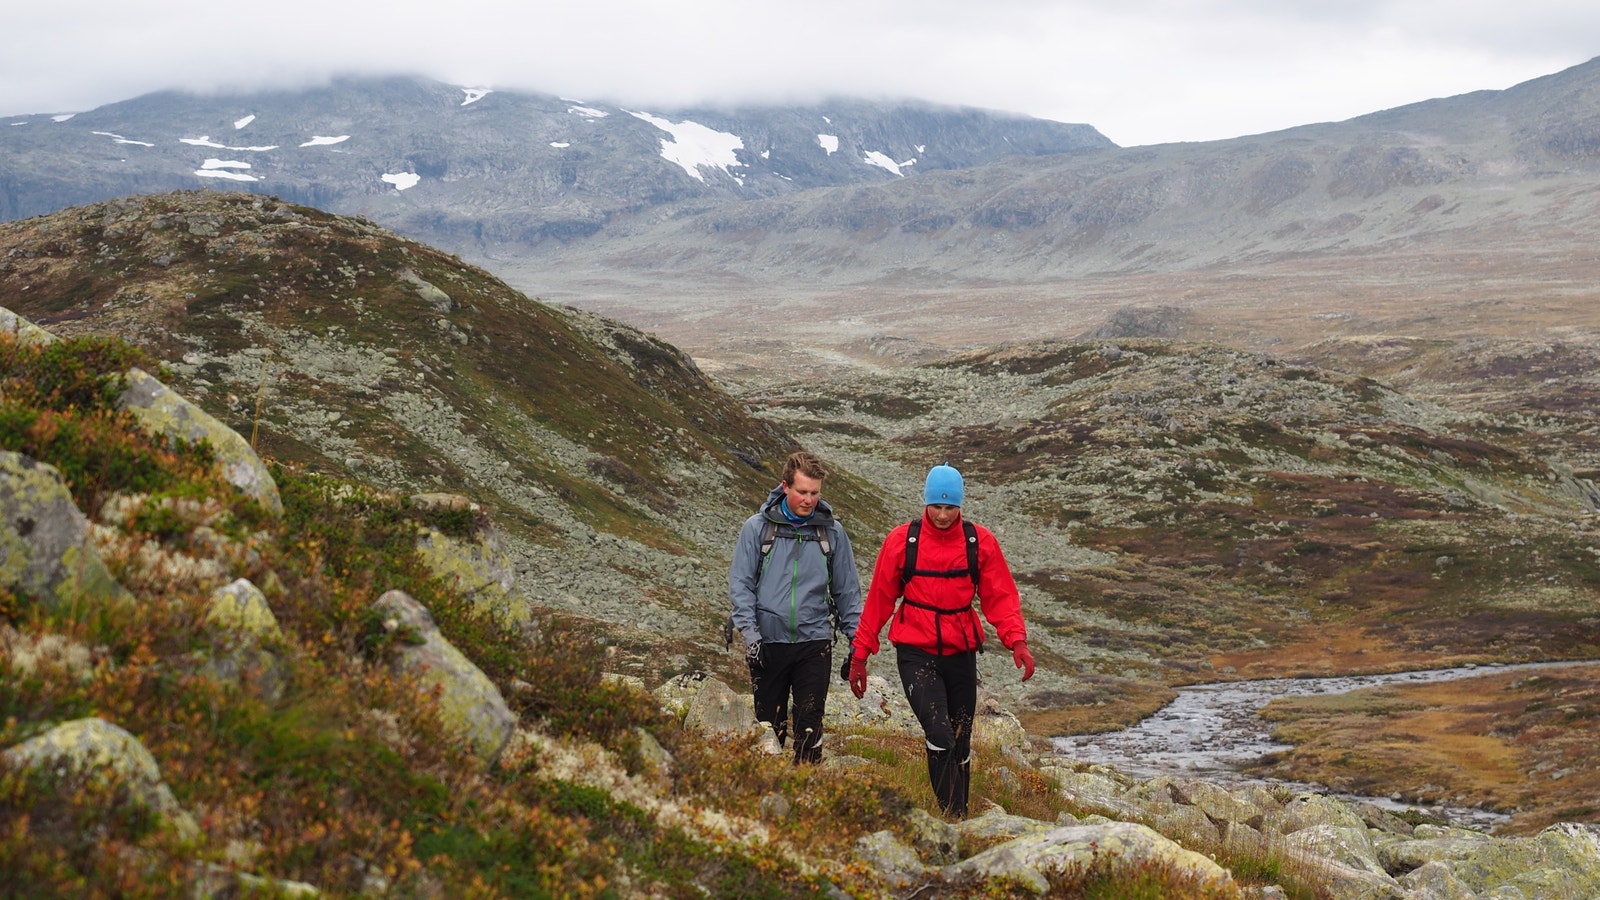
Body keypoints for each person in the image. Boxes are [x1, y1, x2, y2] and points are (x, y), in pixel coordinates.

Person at [846, 462, 1034, 818]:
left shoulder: (980, 542)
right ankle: (951, 814)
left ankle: (959, 817)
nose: (944, 515)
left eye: (950, 507)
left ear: (961, 505)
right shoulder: (902, 542)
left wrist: (1017, 642)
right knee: (940, 731)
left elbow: (1001, 597)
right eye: (937, 506)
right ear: (926, 503)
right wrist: (860, 654)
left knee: (961, 738)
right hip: (915, 653)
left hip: (961, 653)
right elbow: (879, 600)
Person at [729, 450, 863, 763]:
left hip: (814, 643)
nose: (808, 499)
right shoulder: (757, 529)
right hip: (767, 643)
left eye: (815, 493)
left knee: (809, 726)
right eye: (802, 492)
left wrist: (857, 641)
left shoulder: (831, 533)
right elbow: (741, 586)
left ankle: (807, 792)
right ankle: (769, 795)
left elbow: (847, 592)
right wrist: (751, 637)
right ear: (785, 486)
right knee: (768, 728)